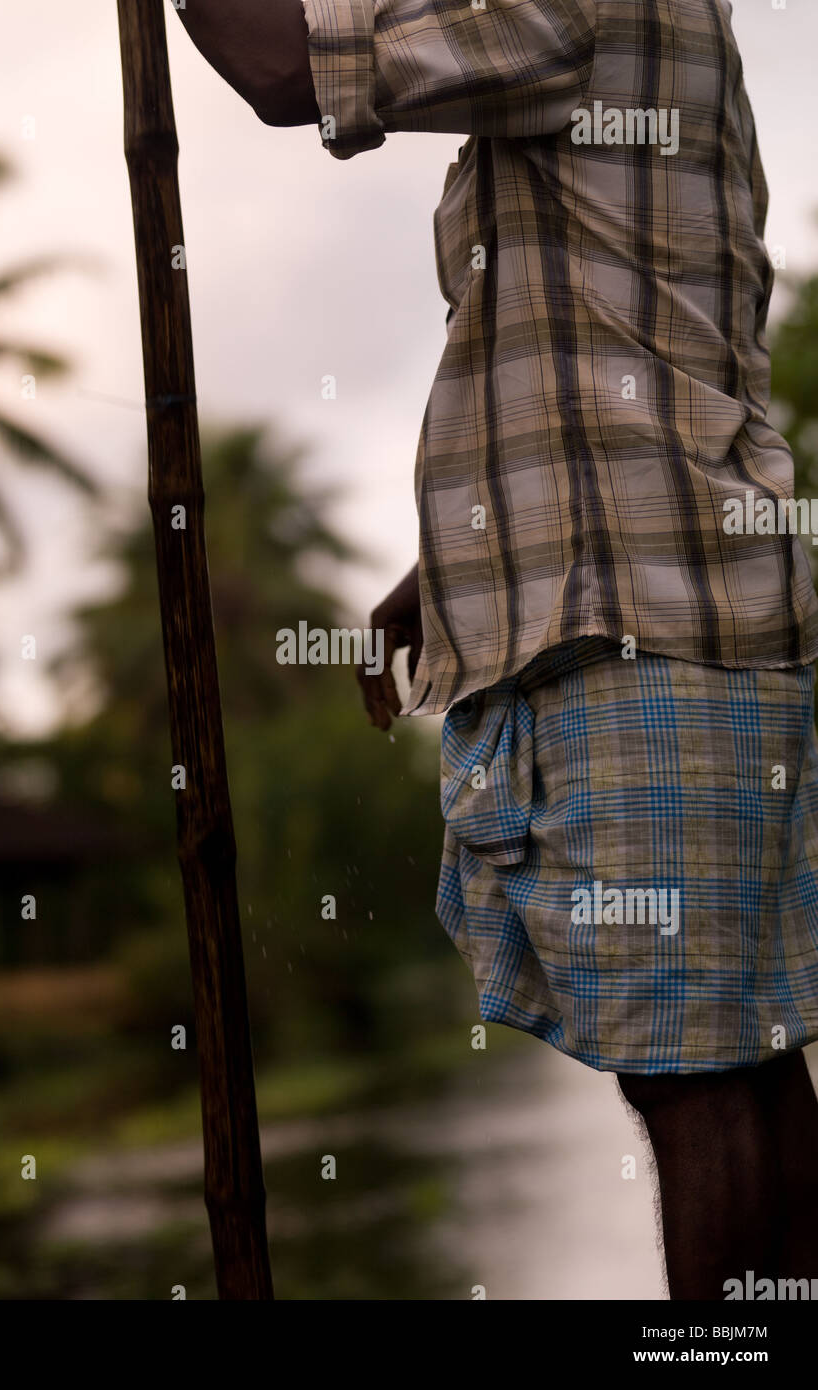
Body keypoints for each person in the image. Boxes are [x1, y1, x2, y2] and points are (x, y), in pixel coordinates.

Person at [177, 0, 818, 1300]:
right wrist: (448, 569)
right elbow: (632, 342)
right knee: (735, 1067)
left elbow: (286, 65)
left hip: (644, 622)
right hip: (679, 596)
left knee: (698, 1079)